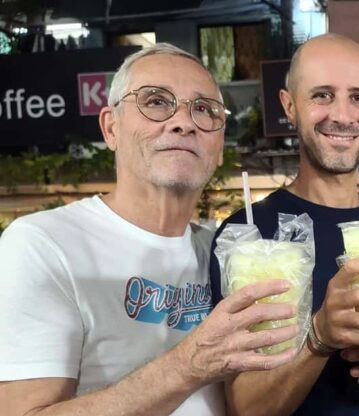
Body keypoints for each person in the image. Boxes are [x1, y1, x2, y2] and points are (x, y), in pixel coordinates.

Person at [0, 44, 299, 415]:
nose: (184, 122)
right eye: (156, 102)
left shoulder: (221, 250)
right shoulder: (42, 245)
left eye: (204, 109)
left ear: (220, 148)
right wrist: (188, 366)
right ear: (111, 128)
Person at [208, 33, 359, 415]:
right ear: (289, 105)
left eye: (358, 97)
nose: (343, 116)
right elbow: (241, 408)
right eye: (322, 95)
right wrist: (319, 337)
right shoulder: (245, 235)